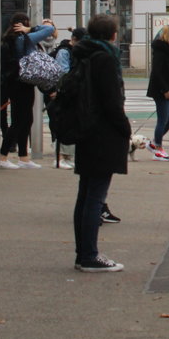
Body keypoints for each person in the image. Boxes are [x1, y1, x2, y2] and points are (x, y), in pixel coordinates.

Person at [70, 14, 130, 272]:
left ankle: (83, 252)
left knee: (86, 194)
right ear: (112, 35)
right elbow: (111, 101)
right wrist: (124, 128)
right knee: (95, 196)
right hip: (102, 132)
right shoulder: (105, 59)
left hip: (86, 129)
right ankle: (89, 255)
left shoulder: (83, 54)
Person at [0, 13, 55, 169]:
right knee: (19, 121)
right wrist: (30, 29)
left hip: (18, 83)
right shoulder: (24, 38)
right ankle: (3, 156)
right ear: (23, 24)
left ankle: (23, 157)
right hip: (23, 83)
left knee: (26, 119)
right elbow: (49, 29)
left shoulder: (10, 39)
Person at [51, 27, 86, 169]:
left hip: (73, 92)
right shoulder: (64, 51)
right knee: (63, 124)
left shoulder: (79, 52)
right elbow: (63, 73)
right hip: (63, 92)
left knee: (73, 125)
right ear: (74, 40)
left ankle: (68, 156)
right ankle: (59, 157)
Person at [146, 25, 169, 161]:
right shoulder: (161, 51)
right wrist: (165, 89)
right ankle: (158, 148)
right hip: (161, 90)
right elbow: (157, 72)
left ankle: (155, 142)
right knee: (163, 119)